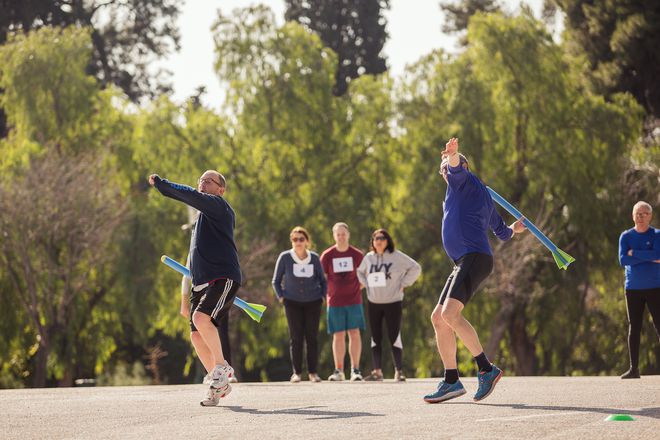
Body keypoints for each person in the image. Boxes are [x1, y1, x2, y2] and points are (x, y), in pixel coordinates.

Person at [423, 138, 526, 404]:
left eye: (446, 167)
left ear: (462, 167)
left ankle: (486, 368)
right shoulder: (480, 193)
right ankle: (451, 380)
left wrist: (453, 157)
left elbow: (457, 168)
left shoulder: (463, 181)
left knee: (449, 314)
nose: (444, 172)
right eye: (443, 168)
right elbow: (501, 233)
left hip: (473, 258)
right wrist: (515, 229)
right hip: (465, 261)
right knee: (438, 317)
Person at [149, 170, 241, 406]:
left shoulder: (218, 206)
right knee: (196, 335)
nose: (202, 183)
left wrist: (162, 185)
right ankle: (219, 384)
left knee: (201, 318)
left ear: (220, 189)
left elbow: (188, 195)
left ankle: (222, 366)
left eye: (208, 181)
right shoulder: (202, 217)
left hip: (223, 277)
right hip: (201, 282)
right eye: (200, 180)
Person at [357, 229, 421, 382]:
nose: (378, 241)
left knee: (394, 336)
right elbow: (359, 272)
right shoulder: (369, 258)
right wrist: (366, 284)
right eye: (375, 238)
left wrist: (404, 283)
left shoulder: (397, 256)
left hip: (393, 302)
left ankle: (399, 371)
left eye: (382, 238)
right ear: (372, 241)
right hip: (374, 303)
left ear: (387, 241)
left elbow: (416, 267)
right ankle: (377, 372)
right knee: (376, 337)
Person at [272, 226, 327, 383]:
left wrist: (322, 297)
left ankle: (313, 373)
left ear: (307, 241)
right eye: (295, 239)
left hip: (313, 302)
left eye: (301, 239)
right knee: (295, 338)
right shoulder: (285, 257)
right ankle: (296, 372)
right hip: (292, 303)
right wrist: (281, 297)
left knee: (312, 338)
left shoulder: (314, 258)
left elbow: (323, 281)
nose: (298, 242)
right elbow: (275, 281)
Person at [618, 201, 660, 379]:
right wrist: (647, 256)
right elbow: (622, 261)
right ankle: (633, 369)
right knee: (634, 328)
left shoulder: (657, 235)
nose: (640, 217)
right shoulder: (626, 236)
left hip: (655, 287)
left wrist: (634, 253)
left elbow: (658, 256)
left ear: (650, 216)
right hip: (633, 288)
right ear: (632, 216)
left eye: (644, 214)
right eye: (637, 214)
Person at [320, 222, 366, 381]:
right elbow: (321, 278)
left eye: (343, 234)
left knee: (354, 333)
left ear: (348, 235)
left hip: (354, 300)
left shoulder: (357, 254)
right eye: (338, 234)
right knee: (338, 335)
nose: (341, 237)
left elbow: (365, 276)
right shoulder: (327, 255)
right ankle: (339, 370)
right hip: (334, 302)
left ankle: (356, 370)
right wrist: (329, 293)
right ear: (334, 236)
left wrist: (356, 288)